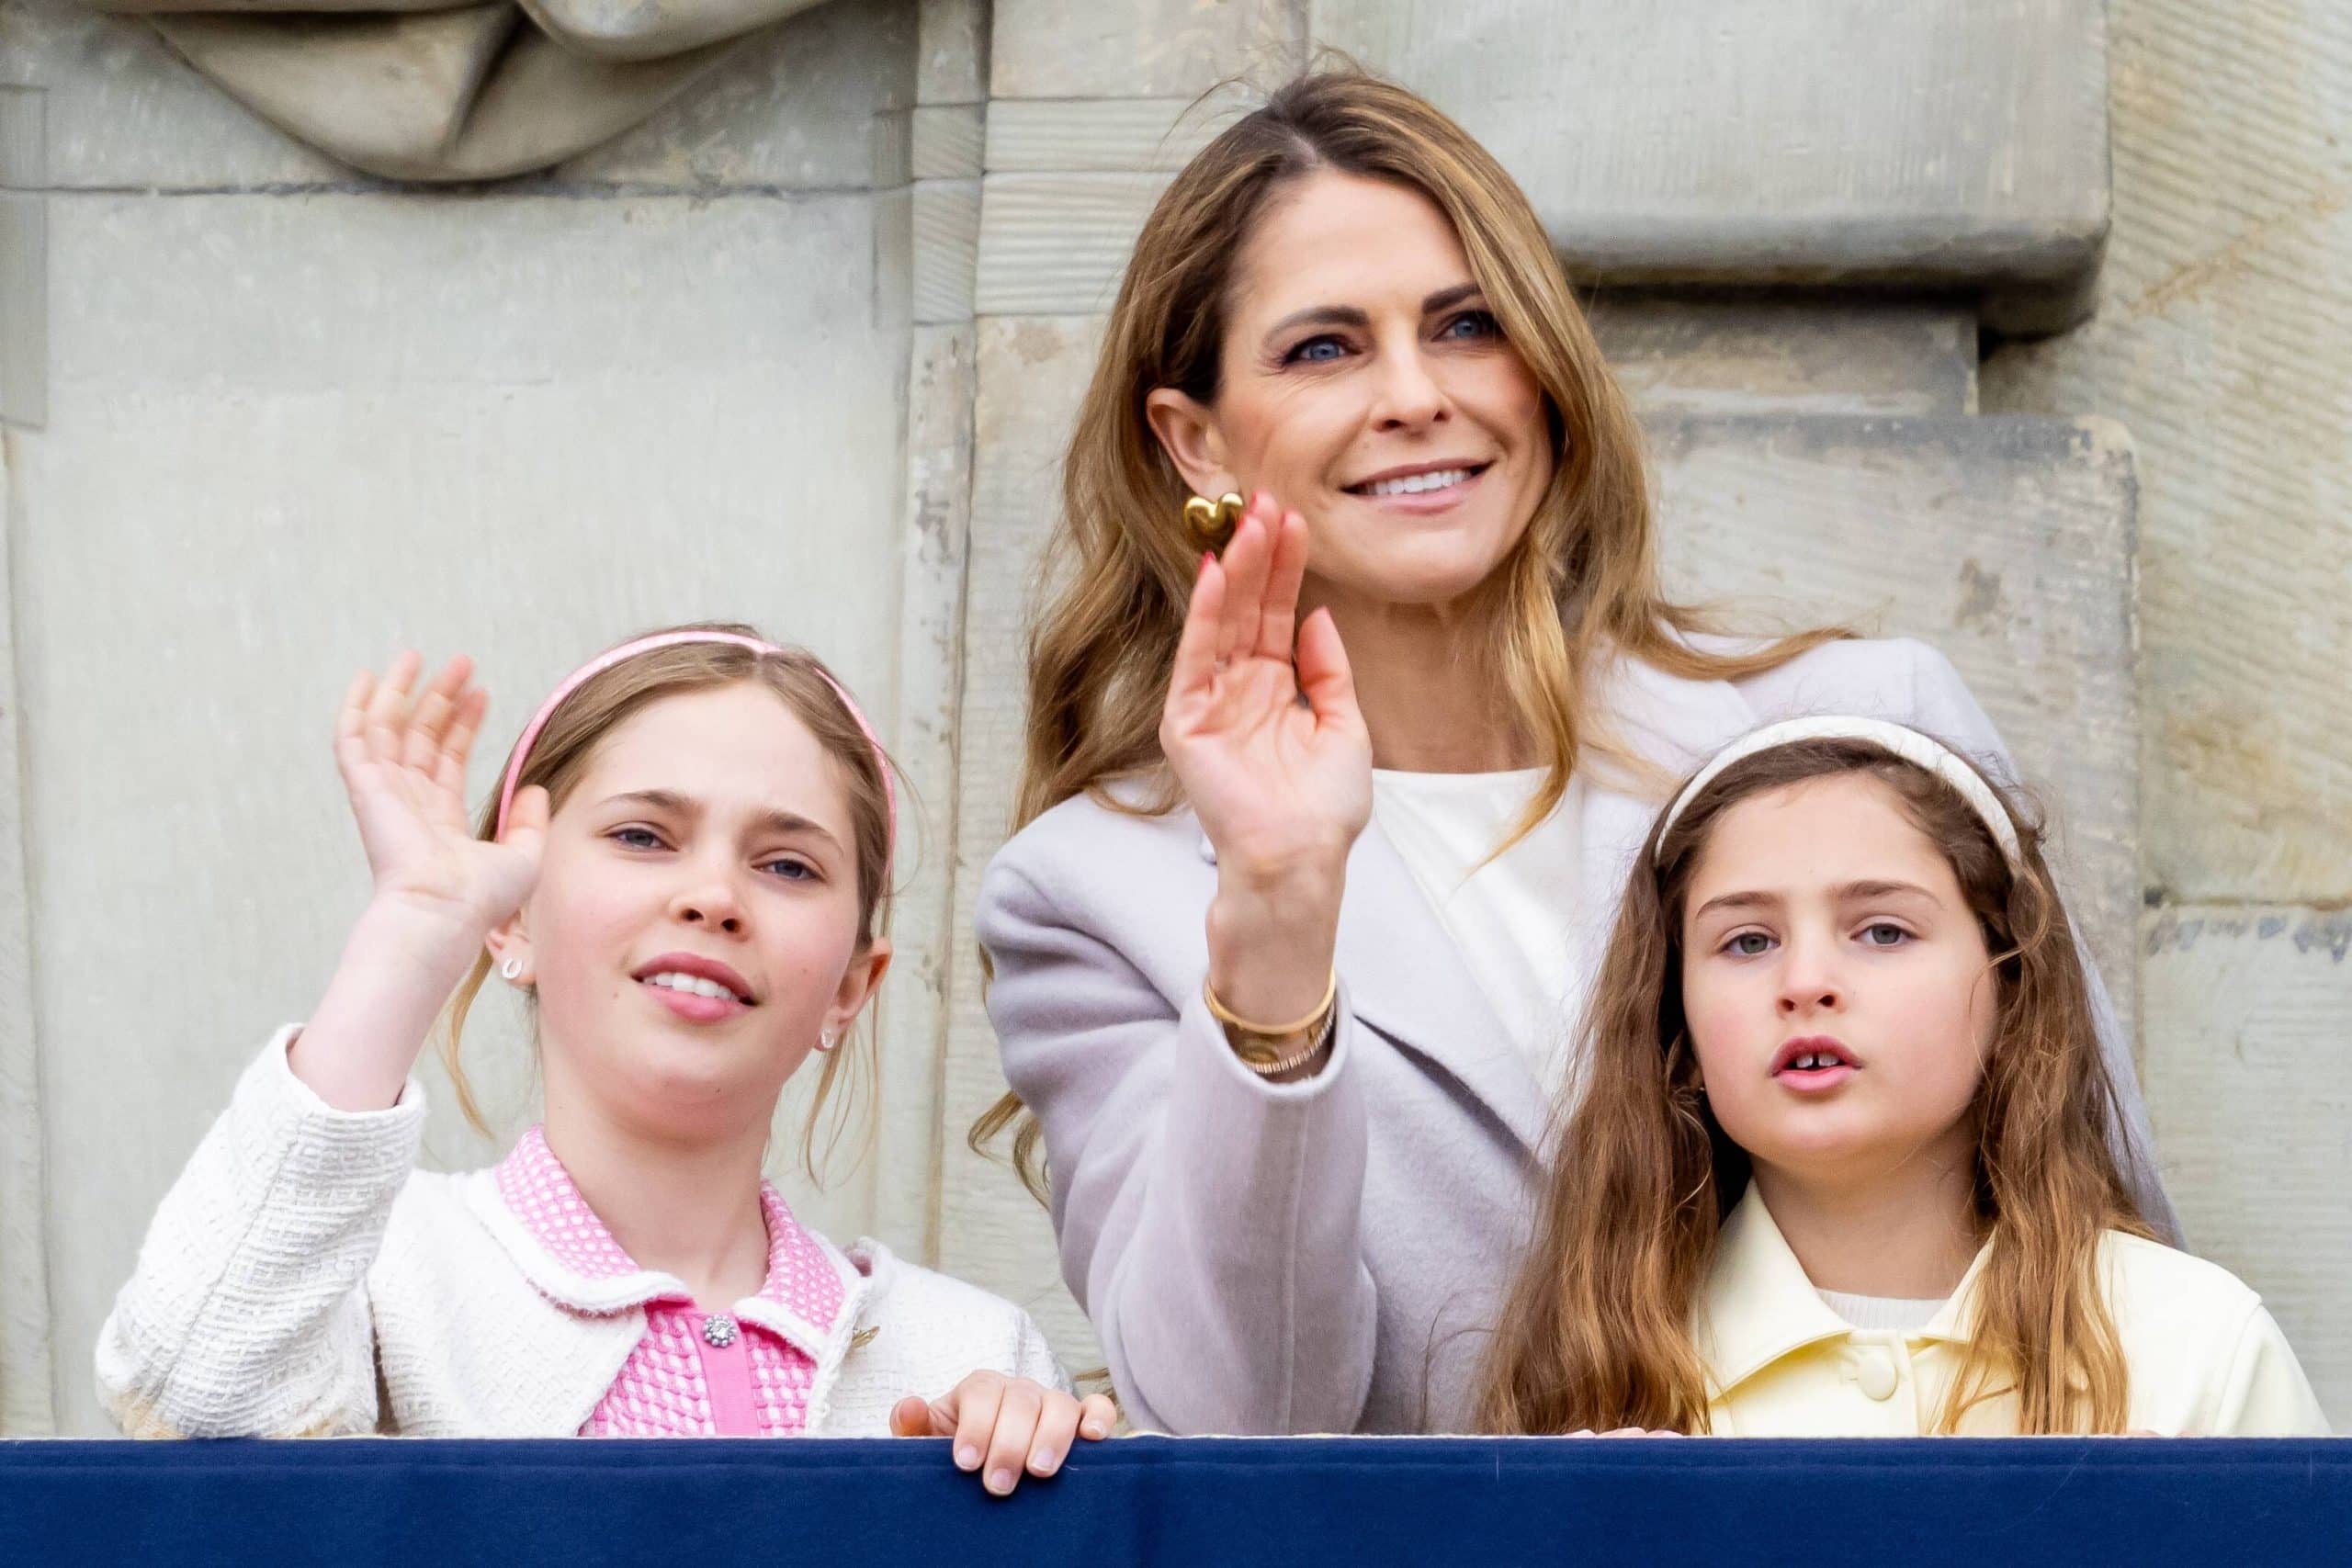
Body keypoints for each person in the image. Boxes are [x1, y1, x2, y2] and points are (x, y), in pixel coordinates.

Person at [973, 71, 2174, 1436]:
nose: (1417, 393)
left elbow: (2114, 1254)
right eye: (1324, 347)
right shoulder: (1090, 890)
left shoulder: (1863, 729)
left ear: (1543, 367)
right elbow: (1243, 1419)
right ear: (1199, 441)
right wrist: (1277, 917)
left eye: (1468, 324)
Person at [100, 627, 1113, 1495]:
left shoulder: (972, 1353)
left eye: (787, 864)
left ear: (850, 987)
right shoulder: (382, 1277)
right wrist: (412, 935)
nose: (713, 895)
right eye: (641, 835)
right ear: (511, 923)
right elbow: (193, 1392)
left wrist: (1008, 1500)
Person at [1476, 718, 2325, 1437]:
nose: (1805, 981)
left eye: (1882, 931)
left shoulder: (2197, 1351)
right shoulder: (1595, 1374)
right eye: (1747, 941)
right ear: (1678, 1022)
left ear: (2009, 984)